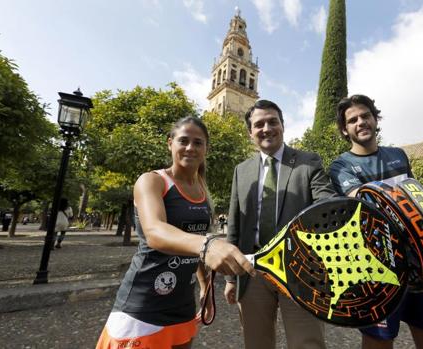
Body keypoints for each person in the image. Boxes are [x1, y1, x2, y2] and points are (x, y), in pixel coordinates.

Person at [96, 116, 255, 349]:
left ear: (206, 149)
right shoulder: (152, 181)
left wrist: (204, 287)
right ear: (170, 143)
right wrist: (209, 244)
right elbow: (155, 231)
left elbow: (195, 247)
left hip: (182, 305)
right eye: (183, 140)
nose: (190, 147)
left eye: (198, 143)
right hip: (143, 304)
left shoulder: (202, 190)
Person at [329, 94, 423, 349]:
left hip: (421, 262)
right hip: (377, 269)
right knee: (378, 342)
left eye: (365, 116)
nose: (360, 122)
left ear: (375, 119)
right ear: (345, 129)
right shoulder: (341, 165)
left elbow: (418, 199)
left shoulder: (399, 155)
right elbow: (365, 205)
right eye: (352, 120)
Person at [224, 99, 337, 349]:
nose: (266, 128)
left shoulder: (309, 162)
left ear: (283, 125)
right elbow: (235, 225)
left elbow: (326, 204)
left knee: (307, 343)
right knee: (256, 342)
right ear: (250, 132)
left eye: (272, 122)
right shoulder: (241, 171)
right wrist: (231, 278)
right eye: (259, 124)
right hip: (252, 269)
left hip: (300, 269)